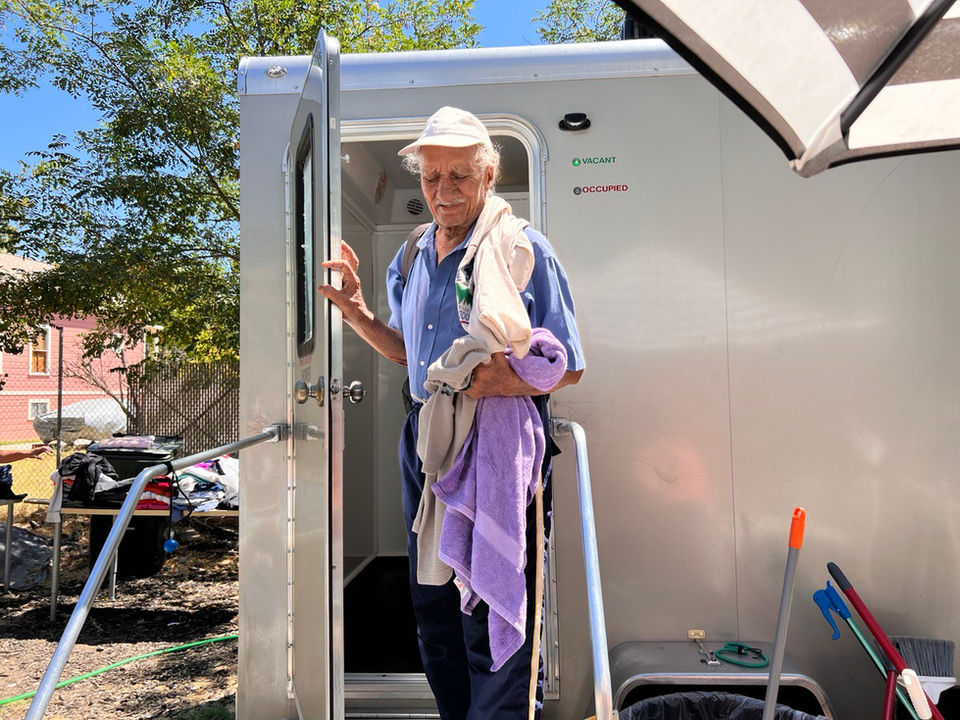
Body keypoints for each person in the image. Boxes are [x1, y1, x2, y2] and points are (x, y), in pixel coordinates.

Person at [318, 106, 584, 720]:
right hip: (425, 440)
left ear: (489, 176)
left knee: (490, 607)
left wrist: (502, 380)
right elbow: (412, 354)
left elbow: (568, 365)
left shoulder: (521, 250)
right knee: (433, 606)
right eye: (432, 177)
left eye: (460, 176)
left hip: (492, 444)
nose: (444, 192)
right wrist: (357, 313)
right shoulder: (411, 255)